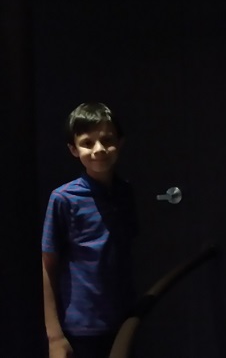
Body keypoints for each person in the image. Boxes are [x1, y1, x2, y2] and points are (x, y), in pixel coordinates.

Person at [42, 103, 138, 358]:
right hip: (82, 328)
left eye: (107, 140)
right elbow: (48, 264)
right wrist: (55, 337)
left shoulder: (124, 192)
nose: (99, 149)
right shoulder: (64, 198)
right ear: (74, 149)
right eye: (88, 143)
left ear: (121, 142)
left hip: (123, 320)